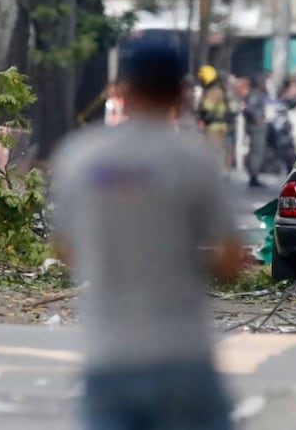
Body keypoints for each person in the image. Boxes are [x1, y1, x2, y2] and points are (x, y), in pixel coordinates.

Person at [50, 41, 246, 430]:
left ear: (122, 90)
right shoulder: (193, 160)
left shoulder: (80, 156)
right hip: (182, 355)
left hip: (109, 356)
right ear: (181, 93)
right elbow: (230, 260)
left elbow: (65, 250)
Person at [236, 74, 268, 187]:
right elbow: (250, 108)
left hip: (257, 127)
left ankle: (254, 175)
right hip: (256, 128)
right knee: (256, 152)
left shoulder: (257, 94)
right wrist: (257, 118)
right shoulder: (255, 94)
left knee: (257, 151)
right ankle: (253, 176)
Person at [196, 65, 229, 155]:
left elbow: (206, 109)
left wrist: (201, 119)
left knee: (212, 153)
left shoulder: (213, 91)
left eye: (201, 79)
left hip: (213, 128)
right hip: (215, 126)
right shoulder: (216, 90)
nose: (200, 81)